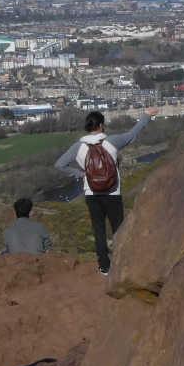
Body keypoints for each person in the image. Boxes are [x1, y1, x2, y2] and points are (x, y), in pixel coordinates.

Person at [54, 108, 154, 275]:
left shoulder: (77, 147)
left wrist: (82, 174)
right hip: (112, 192)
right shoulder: (112, 141)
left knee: (99, 230)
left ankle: (104, 266)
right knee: (118, 229)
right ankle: (121, 262)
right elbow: (133, 134)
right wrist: (146, 116)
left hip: (92, 193)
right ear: (101, 125)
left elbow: (59, 164)